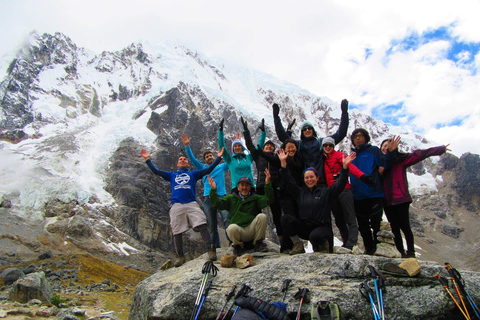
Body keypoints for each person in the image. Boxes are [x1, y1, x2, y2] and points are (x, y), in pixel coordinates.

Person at [140, 147, 224, 267]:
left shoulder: (193, 174)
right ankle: (180, 256)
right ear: (177, 163)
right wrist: (148, 160)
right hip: (176, 204)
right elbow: (157, 171)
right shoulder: (171, 175)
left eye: (185, 159)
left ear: (188, 163)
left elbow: (209, 169)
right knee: (177, 230)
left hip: (191, 203)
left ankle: (211, 249)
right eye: (181, 159)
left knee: (201, 224)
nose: (183, 160)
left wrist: (219, 158)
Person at [380, 135, 450, 258]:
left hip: (400, 198)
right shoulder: (378, 164)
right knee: (394, 228)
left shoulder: (401, 160)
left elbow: (420, 154)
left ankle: (411, 252)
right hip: (386, 200)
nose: (386, 148)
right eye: (384, 146)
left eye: (388, 145)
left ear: (395, 147)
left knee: (405, 226)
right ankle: (400, 252)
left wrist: (440, 149)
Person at [278, 148, 356, 255]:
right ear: (304, 180)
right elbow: (288, 180)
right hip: (305, 227)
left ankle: (324, 245)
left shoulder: (326, 192)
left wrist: (345, 167)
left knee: (315, 236)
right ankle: (297, 243)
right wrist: (283, 163)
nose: (309, 179)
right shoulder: (300, 192)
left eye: (311, 177)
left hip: (322, 227)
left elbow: (340, 184)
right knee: (285, 219)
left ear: (317, 178)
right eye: (307, 178)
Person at [272, 100, 349, 186]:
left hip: (321, 181)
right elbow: (283, 137)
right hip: (305, 182)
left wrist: (344, 113)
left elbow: (340, 134)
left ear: (313, 130)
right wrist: (276, 118)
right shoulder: (299, 144)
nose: (307, 130)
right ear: (302, 132)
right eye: (305, 129)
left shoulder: (321, 142)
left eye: (309, 128)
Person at [322, 136, 375, 251]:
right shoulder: (323, 158)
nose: (327, 147)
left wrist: (362, 177)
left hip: (344, 189)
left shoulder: (339, 156)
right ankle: (346, 242)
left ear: (333, 146)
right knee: (339, 219)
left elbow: (350, 166)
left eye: (330, 145)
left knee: (350, 217)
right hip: (332, 192)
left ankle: (351, 243)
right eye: (325, 145)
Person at [208, 169, 274, 256]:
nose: (244, 188)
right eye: (242, 185)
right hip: (239, 231)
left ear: (250, 187)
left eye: (247, 185)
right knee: (231, 228)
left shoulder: (255, 198)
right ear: (238, 187)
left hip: (251, 229)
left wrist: (268, 184)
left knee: (262, 217)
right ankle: (237, 246)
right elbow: (216, 204)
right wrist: (213, 190)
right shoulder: (231, 198)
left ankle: (258, 243)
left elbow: (268, 200)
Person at [181, 133, 231, 248]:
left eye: (210, 156)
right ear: (205, 160)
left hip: (222, 196)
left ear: (214, 157)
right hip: (208, 199)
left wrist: (226, 147)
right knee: (212, 225)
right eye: (207, 157)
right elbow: (192, 159)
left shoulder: (221, 167)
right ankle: (215, 248)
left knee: (227, 219)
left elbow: (230, 160)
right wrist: (187, 146)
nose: (209, 157)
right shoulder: (202, 168)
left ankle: (231, 243)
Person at [256, 138, 304, 253]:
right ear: (284, 149)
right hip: (285, 193)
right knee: (286, 218)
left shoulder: (299, 160)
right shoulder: (279, 159)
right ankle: (289, 245)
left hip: (297, 193)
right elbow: (268, 158)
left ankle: (293, 244)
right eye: (288, 147)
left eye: (293, 147)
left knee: (294, 217)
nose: (291, 149)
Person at [348, 128, 392, 255]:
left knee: (376, 223)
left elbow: (385, 163)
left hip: (374, 193)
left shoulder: (373, 151)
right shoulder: (352, 155)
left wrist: (391, 153)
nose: (357, 138)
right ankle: (369, 249)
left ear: (366, 137)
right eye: (355, 136)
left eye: (360, 135)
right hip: (358, 195)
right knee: (363, 226)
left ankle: (380, 249)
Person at [241, 117, 283, 246]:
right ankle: (256, 240)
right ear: (264, 148)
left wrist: (289, 131)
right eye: (267, 145)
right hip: (260, 187)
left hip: (275, 187)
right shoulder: (258, 156)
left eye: (271, 146)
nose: (269, 146)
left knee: (277, 215)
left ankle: (283, 242)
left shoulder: (277, 158)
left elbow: (287, 144)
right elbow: (250, 146)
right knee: (256, 214)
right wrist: (246, 131)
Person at [218, 118, 256, 191]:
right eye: (235, 146)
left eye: (239, 145)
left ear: (242, 147)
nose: (237, 147)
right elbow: (221, 147)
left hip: (250, 188)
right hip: (236, 189)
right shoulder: (230, 160)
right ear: (233, 148)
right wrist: (220, 131)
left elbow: (257, 149)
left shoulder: (248, 157)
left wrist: (246, 130)